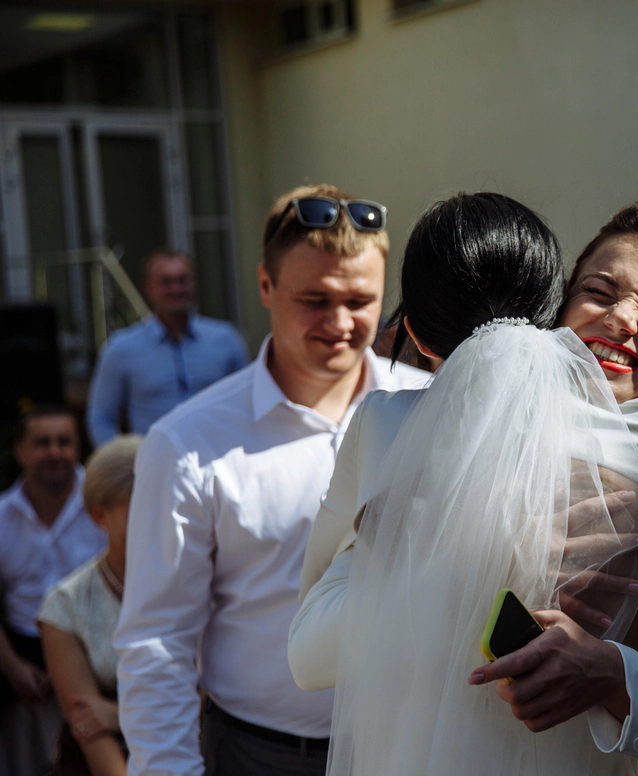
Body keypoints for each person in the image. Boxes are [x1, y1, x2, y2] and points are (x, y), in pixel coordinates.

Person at [293, 202, 638, 776]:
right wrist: (471, 559)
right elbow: (309, 653)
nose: (622, 319)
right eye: (598, 292)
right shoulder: (407, 432)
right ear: (553, 310)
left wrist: (614, 678)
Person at [114, 184, 431, 776]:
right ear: (265, 286)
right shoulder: (187, 442)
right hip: (258, 756)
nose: (340, 322)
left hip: (411, 745)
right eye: (315, 299)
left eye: (361, 300)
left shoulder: (433, 410)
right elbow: (159, 640)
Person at [0, 407, 105, 776]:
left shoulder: (106, 507)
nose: (54, 452)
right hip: (21, 658)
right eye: (42, 443)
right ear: (20, 451)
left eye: (64, 442)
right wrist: (12, 668)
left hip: (97, 654)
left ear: (79, 448)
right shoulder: (1, 517)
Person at [39, 435, 142, 776]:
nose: (155, 527)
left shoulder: (198, 586)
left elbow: (215, 700)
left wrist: (121, 714)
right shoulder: (66, 603)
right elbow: (88, 727)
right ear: (99, 515)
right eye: (138, 515)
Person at [86, 248, 250, 446]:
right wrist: (125, 461)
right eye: (166, 282)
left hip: (218, 454)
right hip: (153, 460)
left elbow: (248, 403)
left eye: (183, 280)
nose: (176, 289)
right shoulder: (121, 349)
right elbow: (101, 418)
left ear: (194, 284)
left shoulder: (226, 340)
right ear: (148, 288)